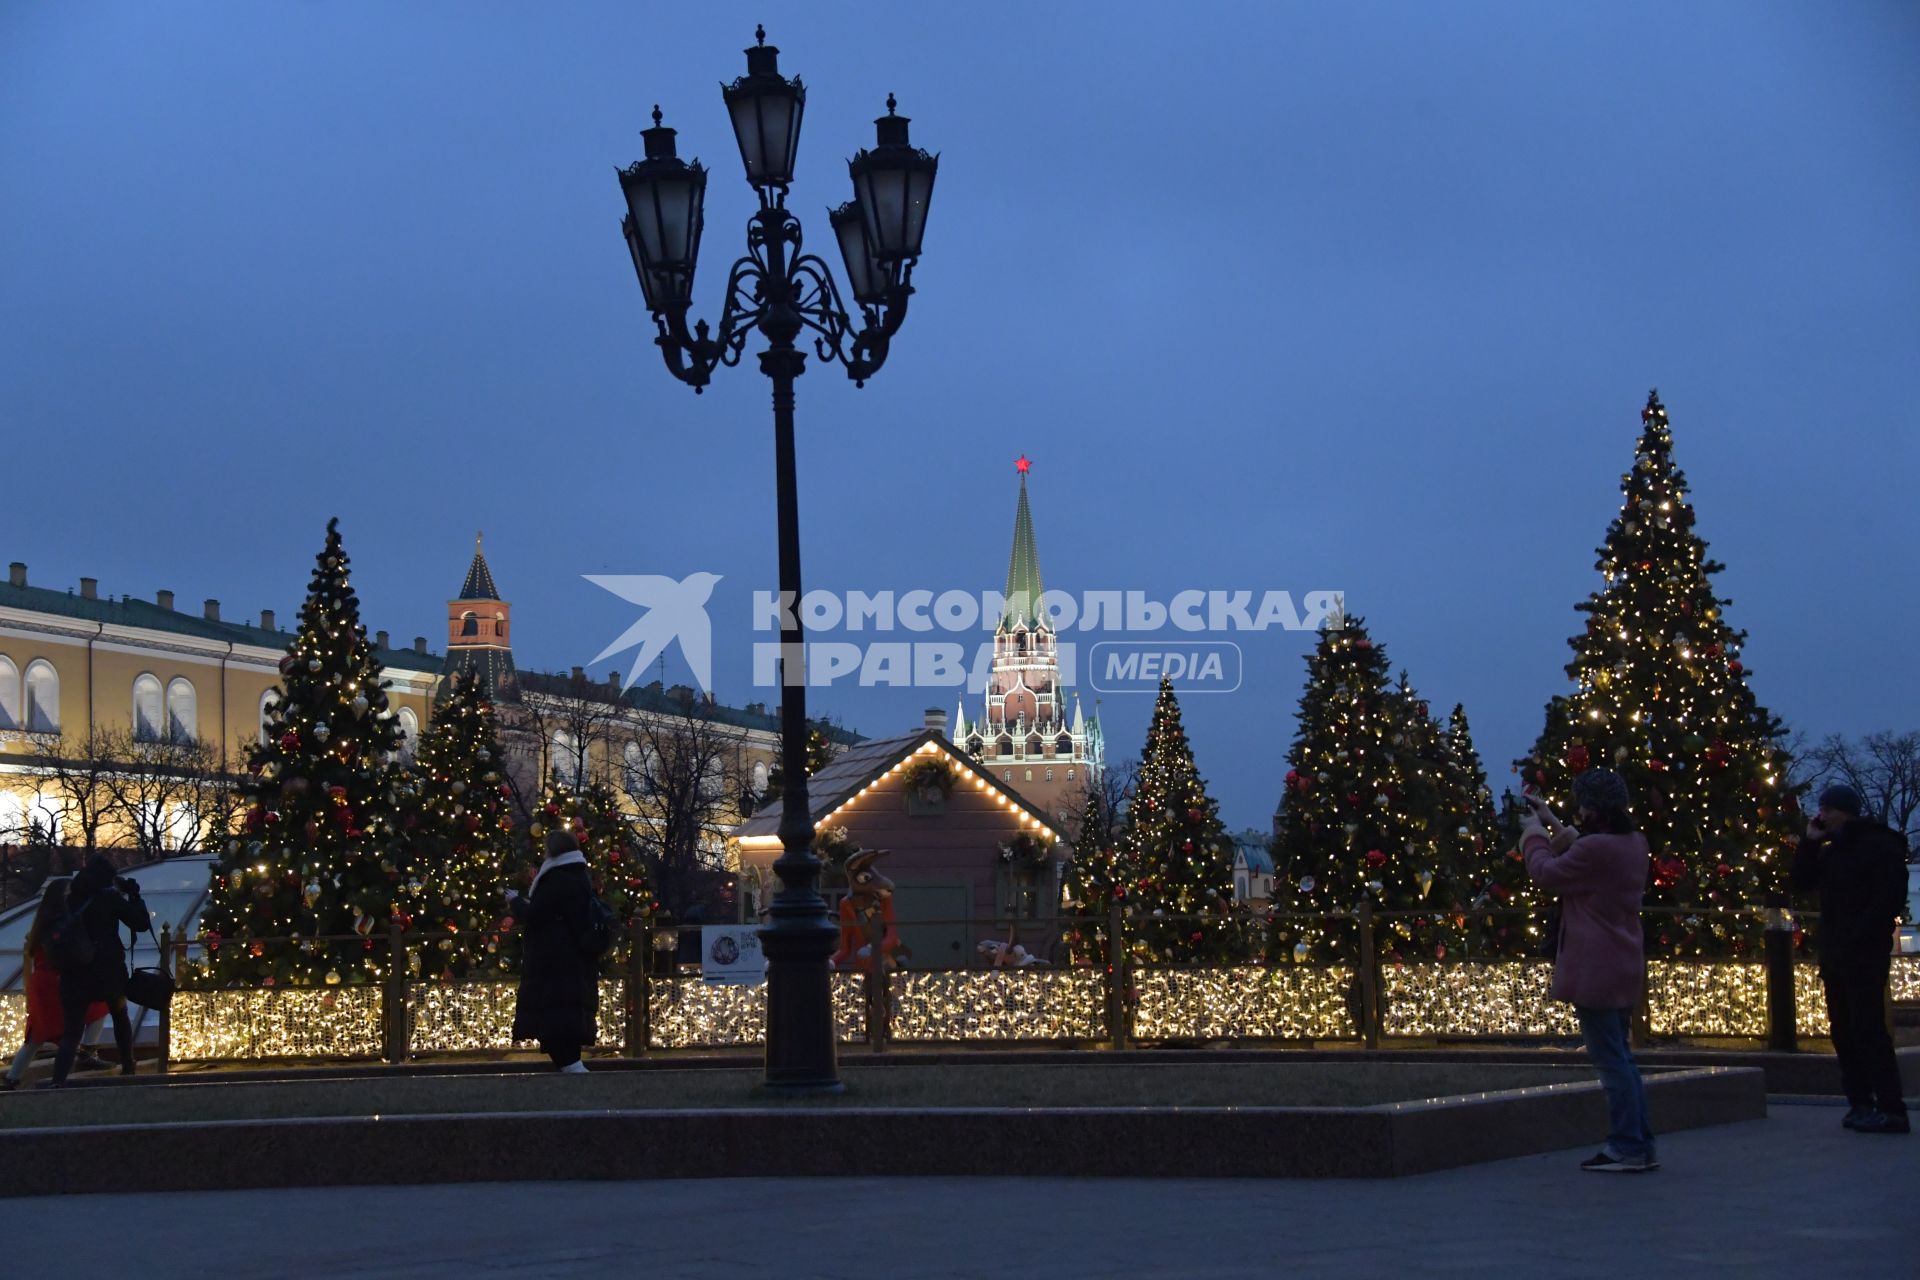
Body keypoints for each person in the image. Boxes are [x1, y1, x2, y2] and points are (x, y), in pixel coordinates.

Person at [1520, 769, 1658, 1172]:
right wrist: (1548, 817)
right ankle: (1641, 1143)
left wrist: (1533, 835)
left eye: (1582, 804)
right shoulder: (1633, 843)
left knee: (1610, 1061)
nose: (1578, 811)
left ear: (1594, 809)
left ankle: (1627, 1146)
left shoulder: (1597, 850)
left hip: (1595, 965)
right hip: (1622, 960)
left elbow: (1546, 873)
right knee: (1623, 1057)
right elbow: (1585, 851)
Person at [1789, 783, 1910, 1135]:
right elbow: (1802, 881)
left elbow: (1887, 897)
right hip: (1839, 950)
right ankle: (1860, 1102)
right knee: (1844, 1030)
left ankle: (1889, 1106)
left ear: (1844, 812)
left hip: (1861, 951)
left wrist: (1862, 934)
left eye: (1827, 810)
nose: (1821, 815)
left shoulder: (1878, 846)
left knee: (1867, 1028)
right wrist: (1810, 842)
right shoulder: (1833, 850)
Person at [49, 856, 150, 1086]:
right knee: (119, 1015)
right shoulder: (109, 898)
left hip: (73, 972)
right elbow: (141, 923)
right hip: (107, 971)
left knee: (72, 1032)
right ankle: (127, 1066)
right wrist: (134, 895)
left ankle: (58, 1080)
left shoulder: (71, 899)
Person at [1, 879, 110, 1091]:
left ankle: (13, 1078)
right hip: (55, 982)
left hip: (41, 983)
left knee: (36, 1035)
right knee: (99, 1006)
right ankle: (88, 1052)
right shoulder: (63, 922)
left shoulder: (43, 921)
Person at [509, 828, 598, 1073]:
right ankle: (571, 1066)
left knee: (556, 1019)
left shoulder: (558, 878)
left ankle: (573, 1068)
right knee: (564, 1018)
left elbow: (537, 914)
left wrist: (516, 903)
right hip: (569, 959)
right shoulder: (577, 875)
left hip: (556, 960)